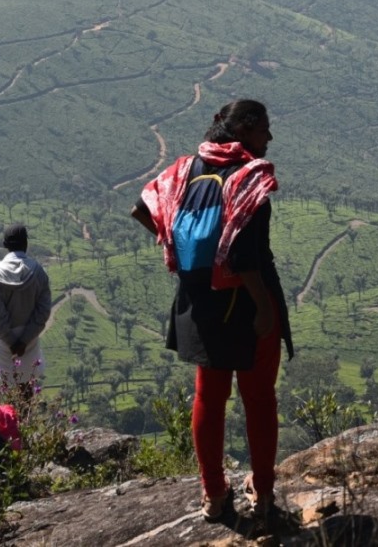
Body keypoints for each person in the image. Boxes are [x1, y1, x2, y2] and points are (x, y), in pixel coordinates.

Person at [133, 100, 293, 530]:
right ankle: (262, 494)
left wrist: (173, 244)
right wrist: (263, 307)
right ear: (243, 130)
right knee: (258, 399)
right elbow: (245, 255)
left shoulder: (186, 169)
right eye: (264, 129)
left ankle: (214, 494)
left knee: (209, 398)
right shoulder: (251, 176)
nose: (269, 138)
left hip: (199, 301)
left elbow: (143, 209)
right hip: (246, 301)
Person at [0, 223, 51, 394]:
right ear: (26, 243)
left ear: (5, 245)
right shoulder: (39, 272)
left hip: (2, 339)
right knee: (26, 383)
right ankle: (24, 420)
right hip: (29, 339)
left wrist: (11, 341)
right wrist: (23, 341)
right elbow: (43, 312)